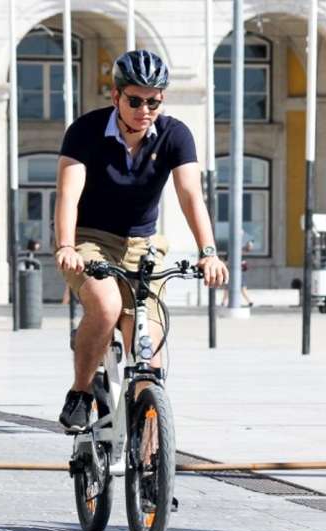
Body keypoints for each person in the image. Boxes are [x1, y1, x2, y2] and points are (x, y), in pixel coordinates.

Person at [53, 49, 229, 433]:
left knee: (149, 354)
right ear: (116, 96)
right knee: (106, 304)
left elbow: (190, 196)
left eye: (154, 101)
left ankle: (150, 467)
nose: (144, 109)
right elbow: (68, 194)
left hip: (143, 244)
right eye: (135, 100)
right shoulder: (85, 131)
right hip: (90, 239)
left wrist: (209, 252)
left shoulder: (174, 134)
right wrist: (66, 245)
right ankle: (81, 392)